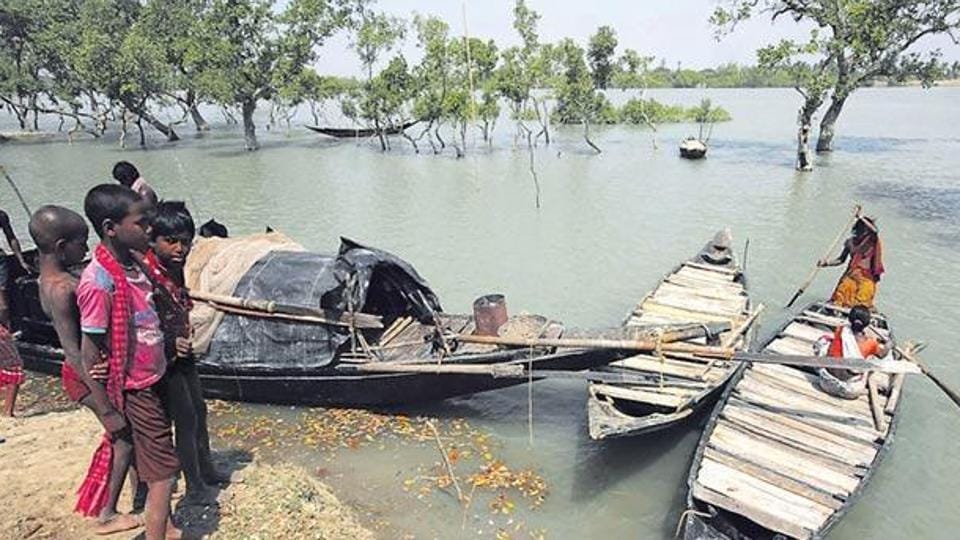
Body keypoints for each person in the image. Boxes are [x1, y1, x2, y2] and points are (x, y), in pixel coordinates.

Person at [28, 205, 145, 533]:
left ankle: (140, 491)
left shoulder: (45, 280)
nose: (86, 247)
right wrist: (105, 405)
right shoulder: (64, 288)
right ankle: (108, 513)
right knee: (123, 436)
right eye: (81, 242)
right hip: (84, 375)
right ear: (62, 247)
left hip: (84, 372)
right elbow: (74, 351)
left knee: (127, 430)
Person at [77, 185, 180, 540]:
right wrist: (107, 410)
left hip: (154, 375)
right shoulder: (99, 282)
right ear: (110, 228)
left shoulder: (136, 264)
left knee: (155, 461)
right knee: (165, 473)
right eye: (140, 223)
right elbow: (88, 351)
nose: (149, 229)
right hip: (135, 388)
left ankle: (165, 526)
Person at [140, 201, 227, 504]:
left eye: (186, 242)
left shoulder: (174, 269)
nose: (180, 248)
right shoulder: (147, 274)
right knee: (186, 417)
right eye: (172, 241)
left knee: (199, 409)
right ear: (152, 240)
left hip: (182, 351)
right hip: (164, 356)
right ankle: (194, 484)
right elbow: (142, 322)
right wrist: (168, 341)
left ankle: (207, 468)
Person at [814, 305, 890, 399]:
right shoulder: (871, 343)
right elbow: (882, 354)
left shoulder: (841, 330)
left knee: (826, 343)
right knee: (870, 359)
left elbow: (850, 332)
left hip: (826, 383)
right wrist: (889, 345)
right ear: (867, 323)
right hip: (850, 391)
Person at [818, 216, 883, 309]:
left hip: (866, 277)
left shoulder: (871, 241)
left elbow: (875, 231)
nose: (864, 231)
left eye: (866, 229)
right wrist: (826, 263)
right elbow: (841, 260)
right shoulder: (850, 242)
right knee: (840, 295)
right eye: (862, 228)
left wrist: (860, 217)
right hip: (851, 275)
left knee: (862, 299)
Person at [1, 207, 30, 327]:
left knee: (3, 303)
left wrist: (21, 260)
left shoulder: (1, 215)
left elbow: (11, 238)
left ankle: (6, 330)